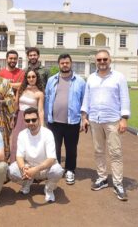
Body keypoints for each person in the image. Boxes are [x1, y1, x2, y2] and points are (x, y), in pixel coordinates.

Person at [81, 49, 131, 201]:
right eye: (99, 60)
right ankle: (102, 178)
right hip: (95, 120)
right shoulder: (91, 78)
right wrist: (84, 116)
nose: (102, 62)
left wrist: (124, 118)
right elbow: (86, 98)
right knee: (98, 151)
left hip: (112, 120)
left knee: (115, 152)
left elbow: (124, 97)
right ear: (95, 61)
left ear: (110, 60)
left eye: (104, 59)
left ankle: (117, 183)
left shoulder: (119, 77)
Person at [44, 53, 85, 185]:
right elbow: (47, 99)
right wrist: (46, 118)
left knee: (71, 148)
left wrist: (84, 119)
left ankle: (70, 170)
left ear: (71, 63)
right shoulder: (52, 80)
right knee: (54, 148)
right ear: (59, 64)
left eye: (67, 62)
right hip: (54, 122)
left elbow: (84, 101)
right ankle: (55, 169)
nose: (65, 65)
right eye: (62, 63)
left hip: (72, 121)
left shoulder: (80, 81)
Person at [8, 107, 64, 203]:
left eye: (34, 120)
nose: (31, 122)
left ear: (38, 119)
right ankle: (27, 183)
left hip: (44, 167)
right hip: (28, 166)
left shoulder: (47, 133)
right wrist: (23, 168)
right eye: (27, 120)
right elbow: (19, 156)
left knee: (58, 171)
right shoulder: (22, 134)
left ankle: (49, 189)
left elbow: (51, 159)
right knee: (11, 170)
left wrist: (35, 170)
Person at [10, 68, 44, 163]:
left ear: (37, 78)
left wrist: (42, 125)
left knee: (30, 143)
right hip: (20, 117)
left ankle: (29, 168)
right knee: (16, 141)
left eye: (33, 76)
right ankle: (14, 166)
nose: (31, 79)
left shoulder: (39, 93)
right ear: (26, 78)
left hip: (31, 120)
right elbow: (16, 105)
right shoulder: (21, 89)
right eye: (29, 77)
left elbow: (40, 110)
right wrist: (13, 118)